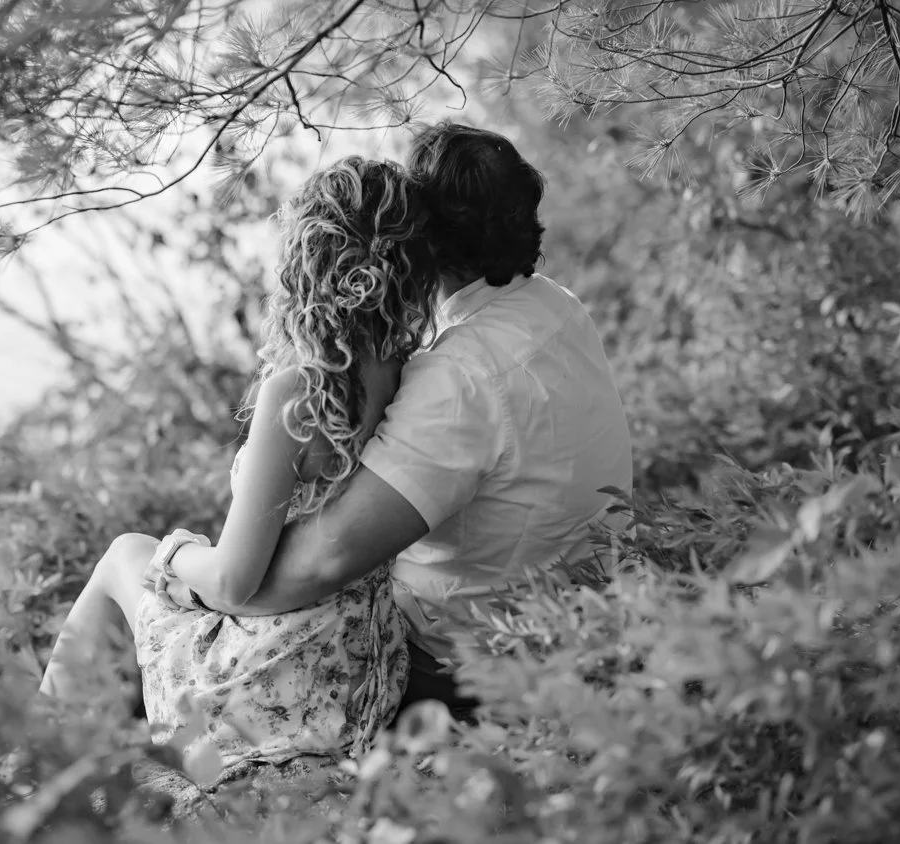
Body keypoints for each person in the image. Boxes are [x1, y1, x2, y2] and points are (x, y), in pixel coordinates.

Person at [156, 121, 634, 720]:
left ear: (428, 238)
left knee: (128, 563)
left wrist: (189, 578)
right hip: (577, 621)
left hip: (465, 668)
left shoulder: (458, 377)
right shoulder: (555, 305)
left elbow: (320, 567)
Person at [39, 156, 438, 775]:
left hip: (276, 674)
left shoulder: (300, 393)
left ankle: (35, 757)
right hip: (362, 667)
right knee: (145, 565)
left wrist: (173, 556)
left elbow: (232, 583)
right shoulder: (413, 376)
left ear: (307, 261)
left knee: (126, 554)